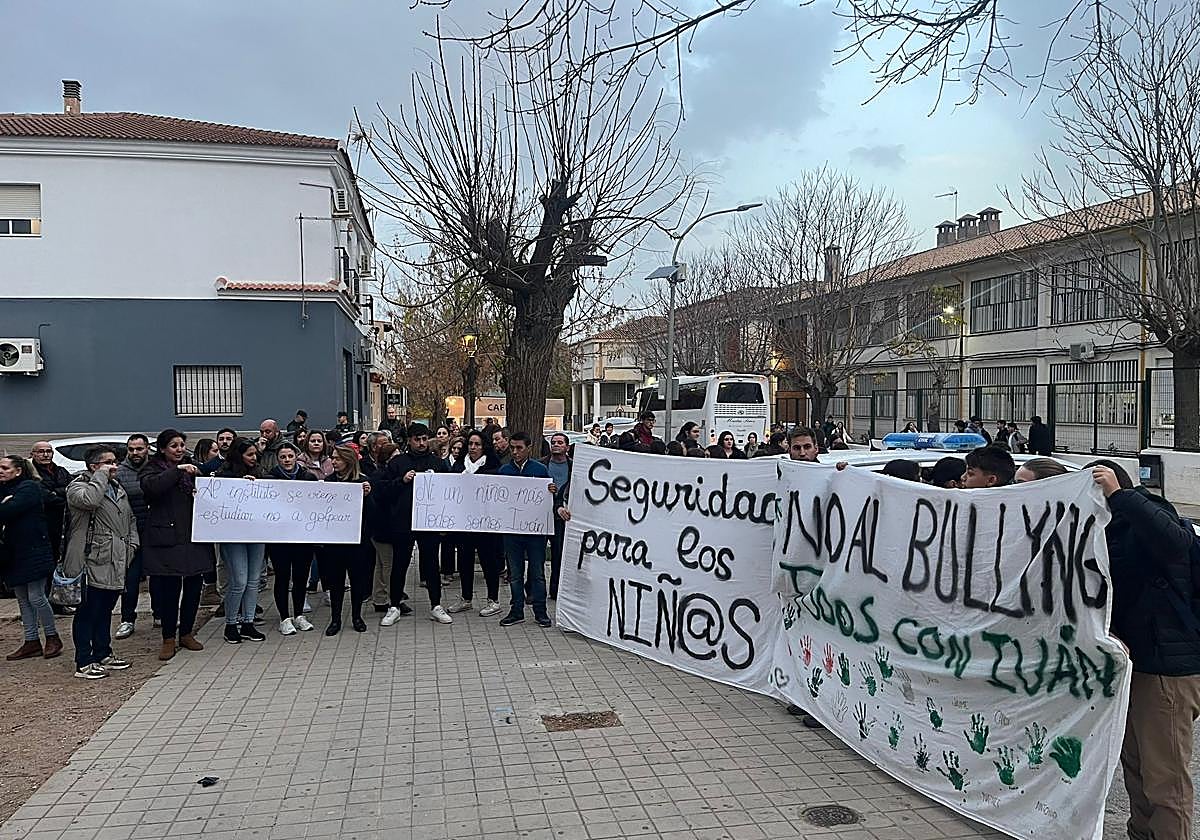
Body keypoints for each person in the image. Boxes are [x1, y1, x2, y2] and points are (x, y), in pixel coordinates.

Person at [1091, 460, 1200, 840]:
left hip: (1166, 668)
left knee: (1164, 775)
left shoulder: (1149, 517)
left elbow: (1174, 542)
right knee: (1135, 767)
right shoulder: (1102, 531)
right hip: (1131, 665)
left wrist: (1122, 496)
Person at [64, 446, 138, 679]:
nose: (114, 466)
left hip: (116, 558)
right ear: (94, 466)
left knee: (106, 609)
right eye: (108, 463)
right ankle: (84, 661)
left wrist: (132, 545)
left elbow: (130, 519)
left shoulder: (118, 487)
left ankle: (103, 652)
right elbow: (90, 501)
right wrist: (100, 476)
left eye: (115, 462)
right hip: (90, 559)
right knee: (88, 610)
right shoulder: (78, 487)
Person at [140, 430, 212, 660]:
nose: (179, 449)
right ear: (163, 449)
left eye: (182, 445)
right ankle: (168, 638)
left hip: (193, 535)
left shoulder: (193, 468)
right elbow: (152, 488)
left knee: (193, 587)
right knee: (170, 590)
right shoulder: (152, 469)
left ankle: (187, 633)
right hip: (167, 537)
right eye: (174, 446)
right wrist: (177, 471)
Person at [376, 423, 451, 626]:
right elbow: (383, 491)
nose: (421, 443)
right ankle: (394, 605)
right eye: (417, 439)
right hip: (403, 521)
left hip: (429, 522)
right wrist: (402, 480)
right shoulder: (398, 463)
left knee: (431, 564)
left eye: (424, 439)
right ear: (409, 440)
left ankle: (436, 605)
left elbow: (450, 492)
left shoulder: (437, 463)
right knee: (400, 564)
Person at [0, 455, 62, 660]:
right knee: (22, 598)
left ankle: (52, 637)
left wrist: (6, 504)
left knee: (36, 596)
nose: (1, 471)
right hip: (13, 553)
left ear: (18, 470)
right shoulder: (5, 490)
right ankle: (31, 640)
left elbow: (9, 510)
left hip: (33, 550)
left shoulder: (29, 488)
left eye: (4, 467)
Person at [445, 431, 505, 617]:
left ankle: (493, 600)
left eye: (477, 444)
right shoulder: (458, 465)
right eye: (470, 444)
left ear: (483, 446)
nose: (473, 447)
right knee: (464, 561)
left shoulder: (493, 466)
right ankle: (466, 598)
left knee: (489, 561)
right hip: (464, 523)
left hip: (485, 523)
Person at [214, 439, 268, 645]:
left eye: (255, 454)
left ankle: (248, 622)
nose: (254, 458)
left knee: (254, 580)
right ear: (239, 456)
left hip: (256, 534)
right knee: (239, 580)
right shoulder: (223, 475)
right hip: (233, 535)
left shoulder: (260, 473)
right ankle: (230, 624)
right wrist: (238, 483)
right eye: (249, 455)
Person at [498, 432, 555, 628]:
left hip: (535, 533)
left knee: (537, 572)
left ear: (528, 448)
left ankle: (541, 611)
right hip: (512, 532)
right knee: (515, 573)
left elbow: (549, 498)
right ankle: (516, 610)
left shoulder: (540, 470)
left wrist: (551, 491)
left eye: (519, 448)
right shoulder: (504, 471)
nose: (515, 452)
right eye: (512, 448)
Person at [319, 445, 375, 635]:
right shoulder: (329, 481)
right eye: (332, 458)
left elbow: (374, 514)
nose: (333, 462)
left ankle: (357, 616)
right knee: (336, 582)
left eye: (337, 459)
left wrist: (368, 497)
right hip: (335, 541)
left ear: (348, 461)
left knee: (358, 580)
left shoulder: (363, 481)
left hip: (358, 541)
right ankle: (335, 619)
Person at [267, 443, 317, 635]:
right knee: (282, 576)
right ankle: (284, 618)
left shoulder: (308, 477)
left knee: (301, 576)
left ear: (296, 457)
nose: (287, 460)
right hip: (279, 538)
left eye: (290, 456)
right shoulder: (270, 479)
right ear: (278, 459)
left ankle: (299, 615)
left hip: (303, 536)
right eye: (283, 457)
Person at [114, 434, 153, 640]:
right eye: (131, 449)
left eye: (139, 448)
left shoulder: (154, 468)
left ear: (147, 448)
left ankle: (160, 614)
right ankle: (127, 619)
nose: (135, 453)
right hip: (129, 533)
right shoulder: (120, 472)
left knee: (157, 575)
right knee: (130, 579)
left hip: (154, 530)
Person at [29, 442, 71, 614]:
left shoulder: (61, 471)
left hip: (60, 524)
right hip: (39, 525)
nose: (45, 455)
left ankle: (58, 603)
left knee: (57, 564)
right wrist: (58, 494)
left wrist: (56, 492)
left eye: (48, 451)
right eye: (41, 452)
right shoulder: (30, 473)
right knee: (42, 567)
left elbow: (70, 489)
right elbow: (42, 495)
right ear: (33, 454)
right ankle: (43, 606)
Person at [541, 432, 572, 600]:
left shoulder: (574, 467)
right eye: (553, 442)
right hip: (542, 516)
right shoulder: (541, 465)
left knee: (558, 555)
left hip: (562, 518)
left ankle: (555, 589)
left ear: (567, 447)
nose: (556, 445)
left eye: (560, 442)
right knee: (537, 556)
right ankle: (532, 590)